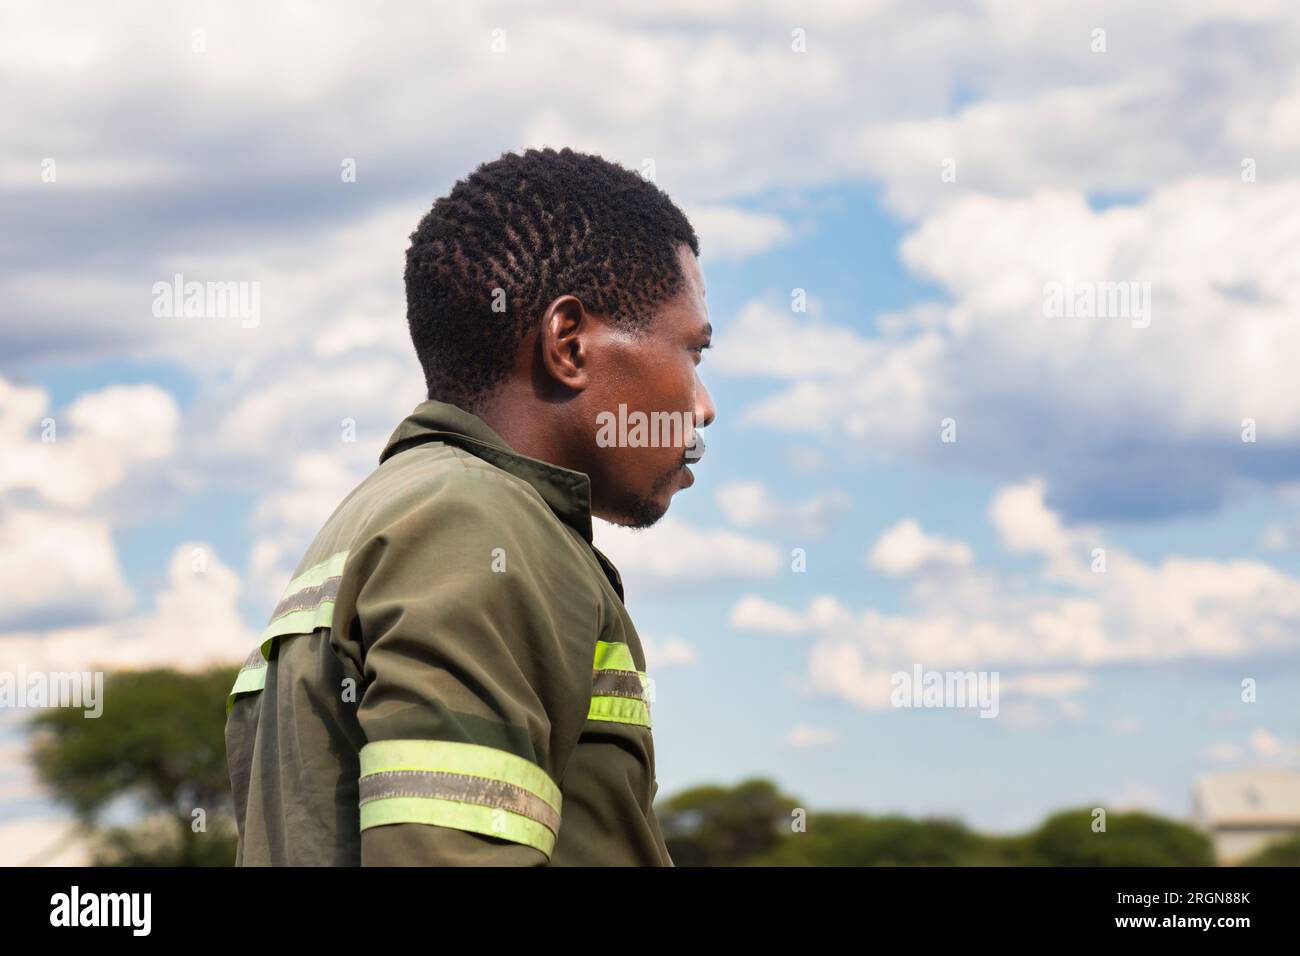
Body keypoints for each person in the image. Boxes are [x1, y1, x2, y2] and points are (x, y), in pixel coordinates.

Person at [224, 146, 716, 865]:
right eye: (692, 353)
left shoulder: (390, 514)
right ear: (569, 344)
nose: (702, 407)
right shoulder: (474, 524)